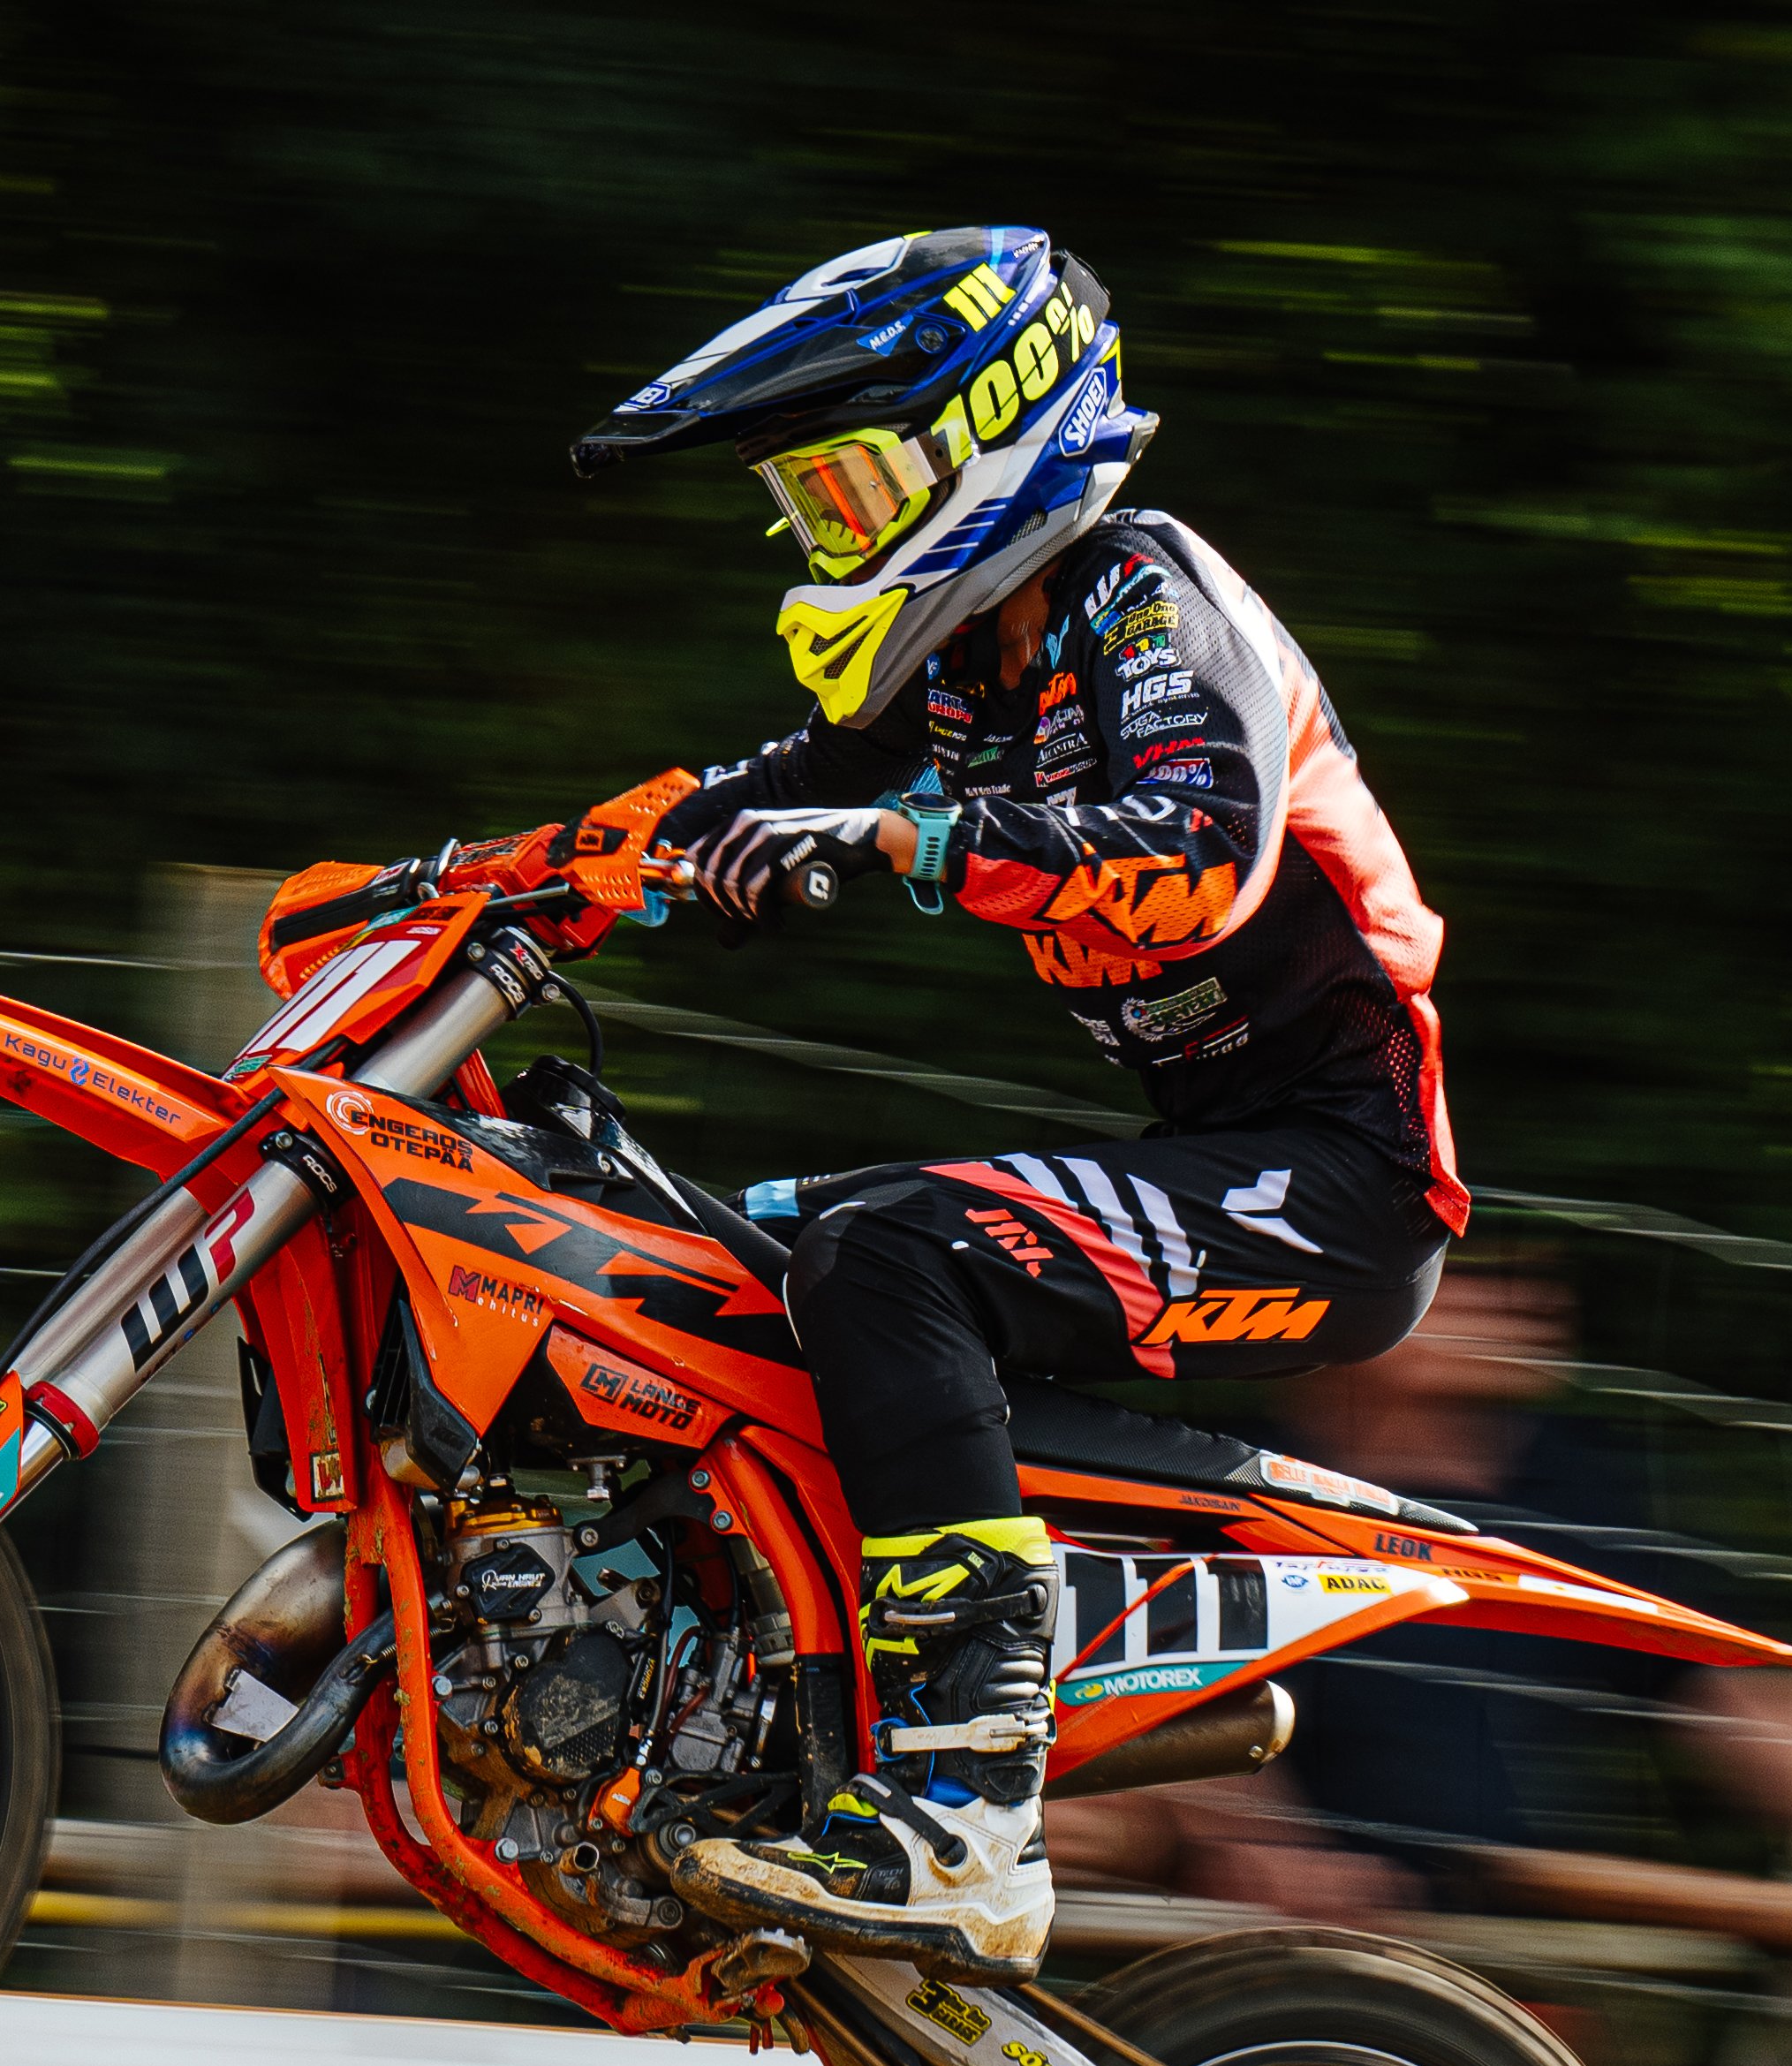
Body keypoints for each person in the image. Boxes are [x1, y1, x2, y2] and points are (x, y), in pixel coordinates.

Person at [566, 228, 1457, 1977]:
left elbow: (1193, 852)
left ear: (987, 436)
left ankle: (966, 1815)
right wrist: (479, 880)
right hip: (1216, 1154)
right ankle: (754, 1725)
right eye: (803, 505)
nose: (824, 537)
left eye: (848, 489)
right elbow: (740, 800)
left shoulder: (1143, 593)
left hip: (1336, 1183)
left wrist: (902, 839)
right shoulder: (978, 656)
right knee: (713, 1253)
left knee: (887, 1255)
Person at [1049, 1249, 1792, 1931]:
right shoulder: (1222, 1483)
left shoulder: (1576, 1495)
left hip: (1507, 1956)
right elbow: (1141, 1686)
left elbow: (1740, 1693)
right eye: (1474, 1275)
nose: (1520, 1305)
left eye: (1528, 1280)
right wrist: (1266, 1850)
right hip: (1235, 1948)